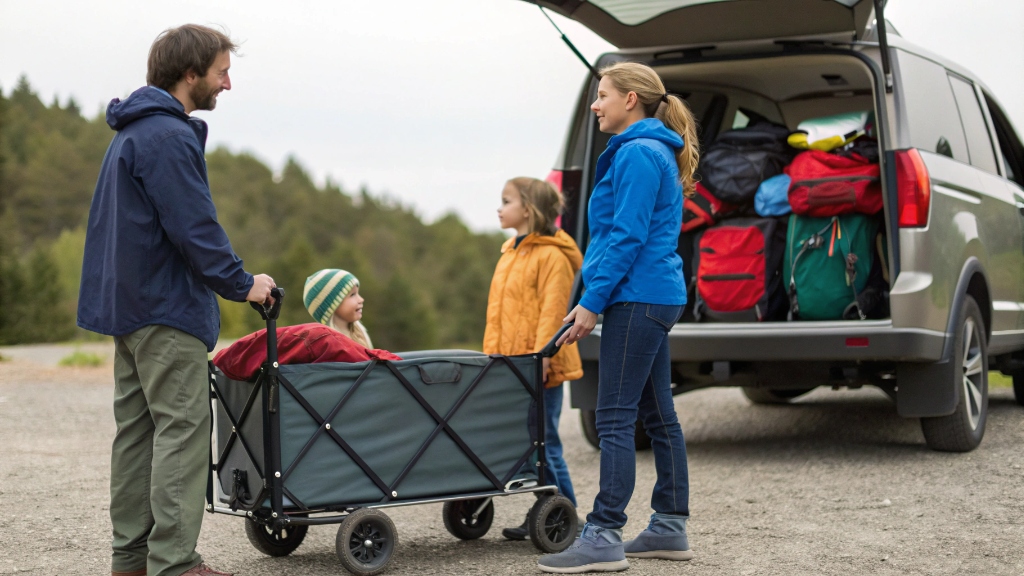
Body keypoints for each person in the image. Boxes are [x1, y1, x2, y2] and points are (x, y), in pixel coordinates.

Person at [77, 24, 275, 576]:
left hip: (131, 310)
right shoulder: (166, 136)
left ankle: (133, 561)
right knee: (184, 433)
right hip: (165, 312)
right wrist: (242, 284)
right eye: (220, 71)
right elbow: (195, 228)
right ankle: (174, 563)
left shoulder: (132, 134)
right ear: (191, 74)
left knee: (138, 434)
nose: (227, 83)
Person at [540, 62, 699, 573]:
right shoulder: (654, 150)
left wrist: (593, 302)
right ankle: (669, 527)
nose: (595, 104)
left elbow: (626, 237)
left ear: (631, 100)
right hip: (652, 293)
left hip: (638, 297)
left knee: (614, 416)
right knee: (658, 414)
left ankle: (604, 534)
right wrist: (590, 294)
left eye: (602, 95)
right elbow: (620, 238)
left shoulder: (637, 154)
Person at [482, 177, 584, 540]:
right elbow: (500, 314)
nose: (499, 207)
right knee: (529, 444)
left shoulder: (552, 256)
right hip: (511, 364)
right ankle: (546, 512)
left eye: (506, 201)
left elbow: (553, 313)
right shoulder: (510, 250)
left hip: (538, 365)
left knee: (546, 443)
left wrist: (541, 359)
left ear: (528, 209)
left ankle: (567, 514)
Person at [302, 268, 374, 347]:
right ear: (332, 306)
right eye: (352, 295)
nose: (361, 300)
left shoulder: (360, 334)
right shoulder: (331, 346)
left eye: (357, 293)